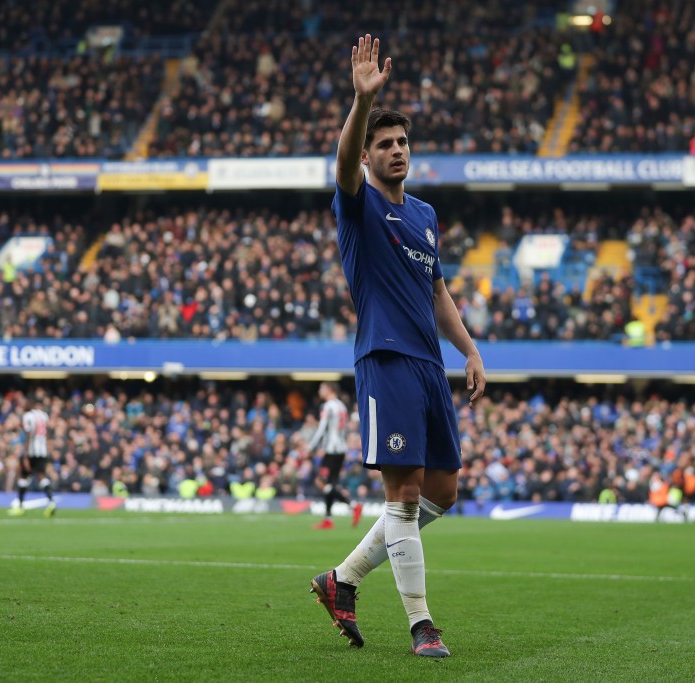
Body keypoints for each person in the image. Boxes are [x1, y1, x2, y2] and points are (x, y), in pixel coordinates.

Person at [309, 34, 487, 659]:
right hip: (385, 360)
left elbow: (438, 292)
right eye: (384, 144)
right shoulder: (356, 203)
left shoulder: (426, 216)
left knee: (444, 490)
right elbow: (341, 164)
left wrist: (470, 351)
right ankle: (421, 625)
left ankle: (342, 579)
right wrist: (362, 103)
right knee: (405, 494)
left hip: (429, 364)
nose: (396, 150)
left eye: (402, 142)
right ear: (368, 156)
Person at [307, 382, 363, 530]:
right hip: (341, 449)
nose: (320, 391)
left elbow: (322, 428)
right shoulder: (342, 406)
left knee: (321, 482)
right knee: (329, 484)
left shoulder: (328, 406)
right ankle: (328, 519)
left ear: (329, 390)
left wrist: (310, 446)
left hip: (332, 450)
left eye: (322, 388)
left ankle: (353, 506)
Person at [10, 398, 56, 517]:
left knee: (23, 476)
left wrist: (25, 454)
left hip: (31, 451)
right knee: (41, 476)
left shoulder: (28, 416)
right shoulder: (44, 415)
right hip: (42, 451)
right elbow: (46, 433)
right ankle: (51, 501)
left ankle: (20, 506)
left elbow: (28, 435)